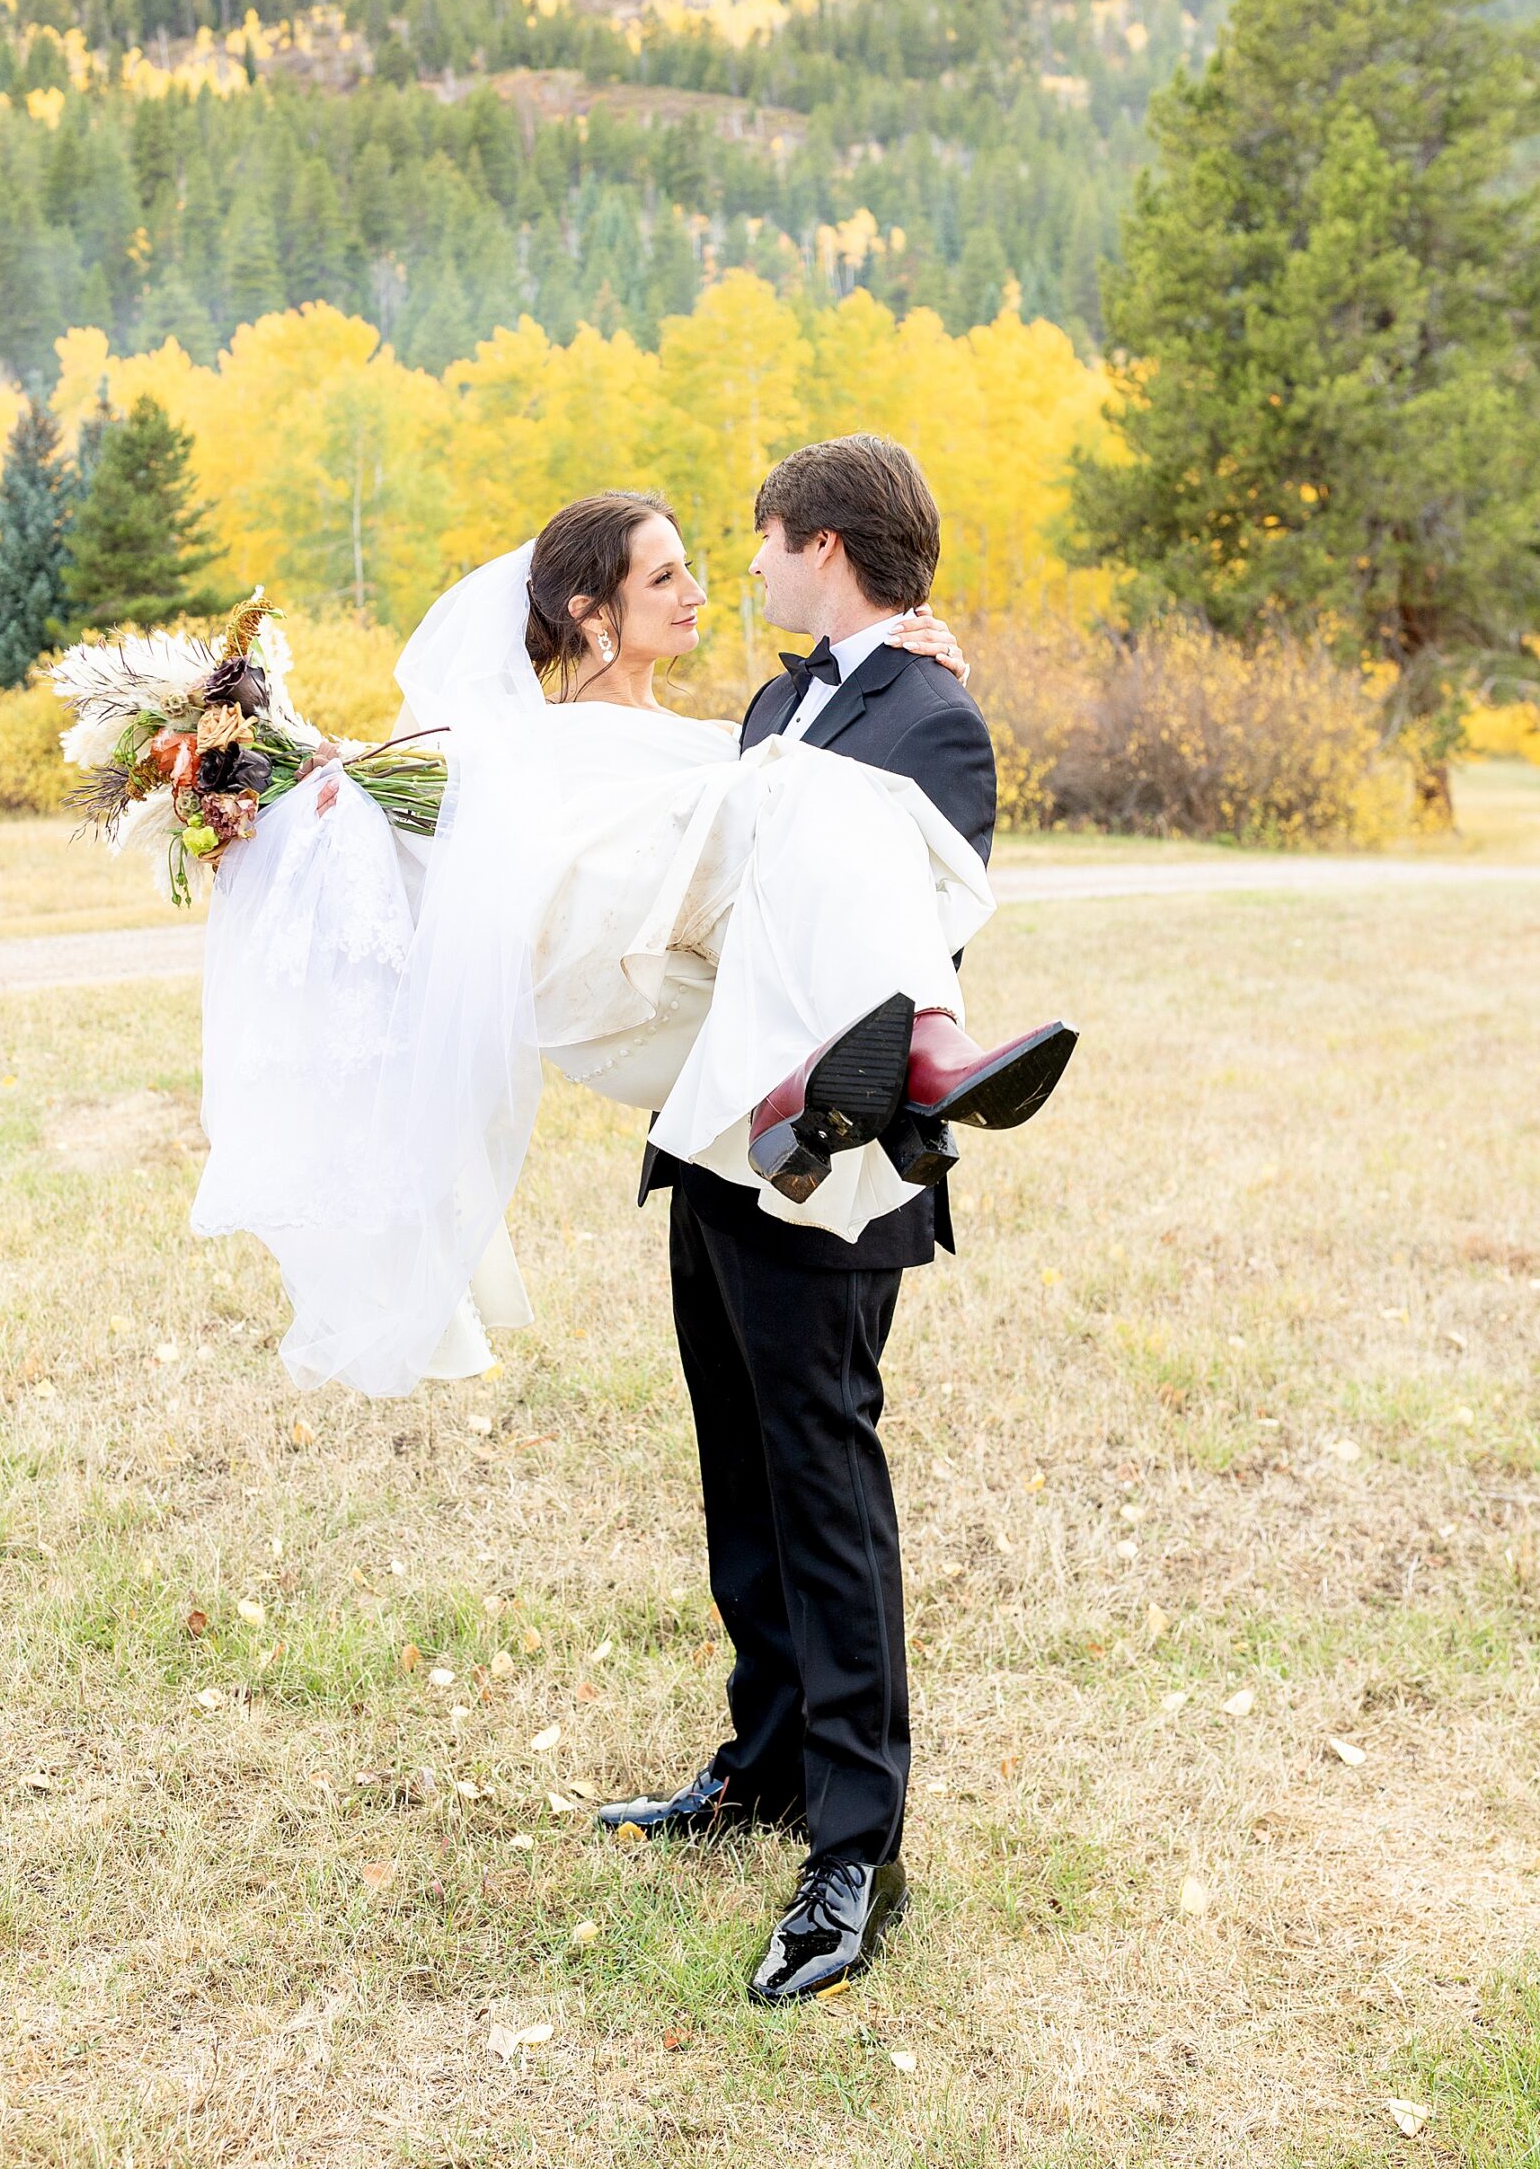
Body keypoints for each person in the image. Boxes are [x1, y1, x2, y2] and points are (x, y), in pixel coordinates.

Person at [601, 435, 1057, 2004]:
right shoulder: (773, 706)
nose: (747, 565)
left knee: (823, 1483)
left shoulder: (933, 717)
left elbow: (920, 906)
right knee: (741, 1468)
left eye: (765, 539)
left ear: (827, 549)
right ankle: (767, 1767)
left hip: (837, 1162)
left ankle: (858, 1847)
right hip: (721, 1138)